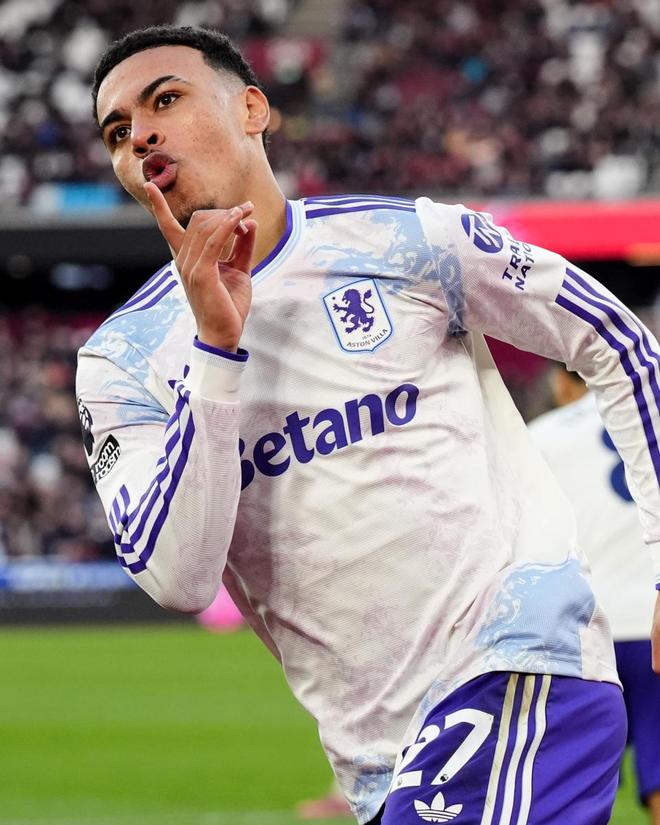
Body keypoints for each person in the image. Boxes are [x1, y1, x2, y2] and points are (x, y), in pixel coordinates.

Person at [76, 25, 660, 825]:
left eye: (165, 100)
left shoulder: (408, 242)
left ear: (252, 109)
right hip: (381, 758)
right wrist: (215, 349)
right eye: (117, 132)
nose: (140, 135)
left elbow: (621, 342)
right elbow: (178, 577)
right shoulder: (122, 360)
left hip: (521, 664)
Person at [529, 366, 660, 824]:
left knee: (567, 793)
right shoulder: (653, 420)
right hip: (653, 620)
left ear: (565, 383)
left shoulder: (541, 435)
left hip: (580, 633)